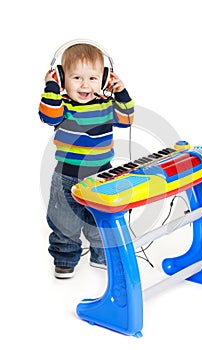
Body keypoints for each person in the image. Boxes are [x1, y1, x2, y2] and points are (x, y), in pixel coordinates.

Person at [39, 42, 134, 279]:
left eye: (93, 78)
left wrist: (120, 91)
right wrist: (51, 86)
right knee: (64, 222)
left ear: (104, 79)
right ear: (62, 79)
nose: (85, 84)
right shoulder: (63, 106)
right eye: (76, 77)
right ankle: (64, 259)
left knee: (100, 218)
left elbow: (127, 118)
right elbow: (47, 114)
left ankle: (101, 256)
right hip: (66, 175)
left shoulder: (106, 105)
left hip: (102, 174)